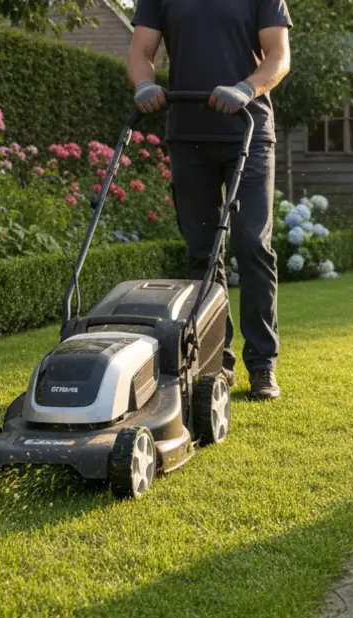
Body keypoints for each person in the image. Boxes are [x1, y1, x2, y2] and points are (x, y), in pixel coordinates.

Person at [127, 0, 292, 400]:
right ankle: (216, 361)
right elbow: (139, 52)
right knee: (202, 253)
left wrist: (246, 88)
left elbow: (278, 56)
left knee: (252, 243)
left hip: (248, 132)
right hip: (188, 134)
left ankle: (262, 364)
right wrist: (144, 85)